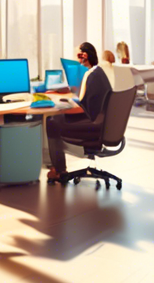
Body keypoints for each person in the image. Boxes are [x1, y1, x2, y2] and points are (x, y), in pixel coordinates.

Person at [45, 43, 112, 180]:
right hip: (101, 123)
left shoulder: (92, 76)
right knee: (55, 119)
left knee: (52, 121)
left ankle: (59, 171)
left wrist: (63, 106)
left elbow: (83, 107)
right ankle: (57, 167)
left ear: (85, 56)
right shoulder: (97, 73)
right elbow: (87, 98)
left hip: (93, 125)